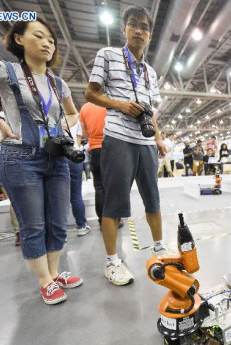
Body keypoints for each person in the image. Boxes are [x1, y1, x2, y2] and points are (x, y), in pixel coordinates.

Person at [0, 19, 84, 304]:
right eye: (39, 36)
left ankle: (55, 272)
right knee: (33, 225)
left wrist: (64, 133)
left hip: (56, 158)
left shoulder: (58, 83)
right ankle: (44, 280)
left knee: (58, 222)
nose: (48, 43)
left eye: (51, 39)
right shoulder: (4, 71)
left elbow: (72, 113)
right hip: (20, 159)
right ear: (19, 39)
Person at [85, 5, 166, 286]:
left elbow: (151, 110)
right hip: (118, 138)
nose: (138, 30)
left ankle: (159, 247)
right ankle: (112, 261)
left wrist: (157, 137)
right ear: (124, 29)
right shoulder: (107, 55)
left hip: (144, 142)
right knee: (115, 202)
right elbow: (91, 93)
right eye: (133, 24)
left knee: (153, 198)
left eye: (144, 27)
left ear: (150, 35)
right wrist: (120, 104)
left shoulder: (150, 73)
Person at [68, 119, 90, 236]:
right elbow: (78, 140)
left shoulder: (49, 114)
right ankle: (81, 226)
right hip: (73, 155)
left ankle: (59, 233)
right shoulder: (75, 119)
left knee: (56, 197)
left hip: (57, 157)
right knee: (76, 195)